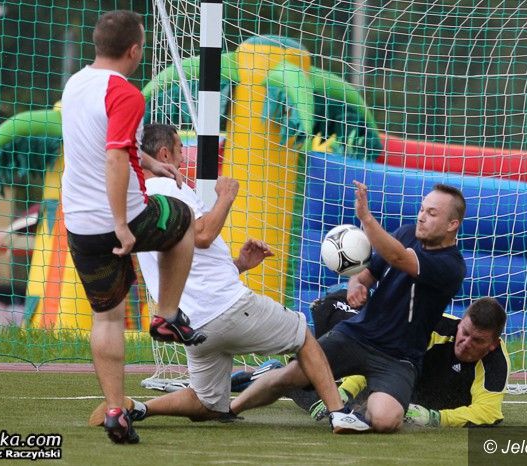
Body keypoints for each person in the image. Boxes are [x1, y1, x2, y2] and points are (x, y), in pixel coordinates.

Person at [88, 123, 357, 432]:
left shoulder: (140, 200)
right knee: (304, 338)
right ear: (163, 154)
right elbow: (202, 235)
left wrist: (238, 265)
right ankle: (340, 414)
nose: (181, 157)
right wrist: (226, 197)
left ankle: (138, 408)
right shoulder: (168, 187)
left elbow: (187, 260)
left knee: (207, 404)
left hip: (191, 323)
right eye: (179, 150)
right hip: (225, 307)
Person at [60, 10, 203, 444]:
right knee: (183, 218)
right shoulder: (126, 93)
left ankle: (115, 412)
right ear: (135, 50)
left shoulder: (75, 83)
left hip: (80, 225)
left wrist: (152, 163)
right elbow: (114, 157)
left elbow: (107, 143)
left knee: (107, 318)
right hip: (122, 219)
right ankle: (167, 316)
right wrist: (122, 224)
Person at [228, 182, 467, 433]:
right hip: (356, 335)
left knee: (385, 420)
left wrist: (366, 218)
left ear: (452, 224)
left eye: (432, 213)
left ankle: (354, 413)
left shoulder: (452, 266)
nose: (421, 217)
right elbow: (366, 275)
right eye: (421, 209)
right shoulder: (406, 233)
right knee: (288, 377)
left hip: (399, 357)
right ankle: (228, 409)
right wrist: (356, 285)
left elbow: (398, 257)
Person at [303, 296, 510, 428]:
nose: (465, 343)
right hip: (387, 384)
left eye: (477, 341)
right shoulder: (431, 328)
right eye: (464, 332)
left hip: (422, 406)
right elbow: (379, 359)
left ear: (493, 344)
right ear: (461, 322)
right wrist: (345, 391)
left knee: (376, 419)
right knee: (318, 397)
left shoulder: (496, 361)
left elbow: (488, 412)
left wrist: (434, 418)